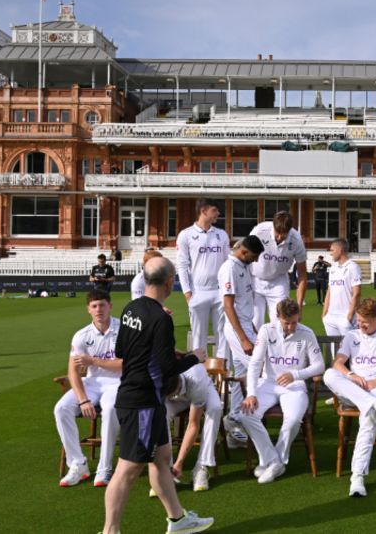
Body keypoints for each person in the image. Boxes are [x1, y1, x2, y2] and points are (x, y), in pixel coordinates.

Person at [102, 257, 213, 534]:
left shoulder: (131, 308)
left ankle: (178, 519)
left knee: (162, 458)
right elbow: (167, 370)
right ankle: (109, 530)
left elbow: (122, 351)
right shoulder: (160, 317)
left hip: (143, 399)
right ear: (169, 281)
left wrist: (162, 352)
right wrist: (194, 358)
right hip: (142, 403)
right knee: (127, 470)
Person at [233, 298, 324, 484]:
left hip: (294, 387)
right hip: (267, 383)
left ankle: (275, 461)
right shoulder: (267, 330)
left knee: (292, 421)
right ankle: (273, 461)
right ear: (278, 317)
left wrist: (296, 374)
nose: (291, 327)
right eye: (286, 323)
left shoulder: (307, 333)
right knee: (246, 415)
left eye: (294, 322)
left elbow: (320, 366)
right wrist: (251, 393)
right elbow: (255, 364)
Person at [322, 298, 376, 498]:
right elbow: (338, 363)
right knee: (329, 375)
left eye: (365, 321)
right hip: (355, 389)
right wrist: (351, 375)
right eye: (358, 320)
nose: (361, 325)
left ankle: (357, 477)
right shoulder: (351, 336)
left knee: (368, 417)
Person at [54, 289, 122, 487]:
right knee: (61, 408)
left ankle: (105, 467)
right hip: (92, 383)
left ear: (110, 306)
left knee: (110, 409)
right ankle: (78, 463)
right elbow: (73, 372)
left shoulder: (124, 329)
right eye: (94, 306)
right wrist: (83, 399)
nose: (98, 309)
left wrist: (93, 360)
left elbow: (127, 364)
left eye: (102, 305)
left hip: (119, 382)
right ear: (88, 310)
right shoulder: (81, 336)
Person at [216, 235, 265, 447]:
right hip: (237, 329)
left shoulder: (243, 267)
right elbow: (228, 307)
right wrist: (244, 338)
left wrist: (253, 328)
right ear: (243, 252)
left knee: (241, 375)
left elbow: (244, 305)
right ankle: (237, 419)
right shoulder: (229, 268)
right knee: (260, 369)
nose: (255, 261)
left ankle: (234, 423)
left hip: (246, 325)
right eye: (253, 257)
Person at [177, 199, 231, 361]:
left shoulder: (221, 235)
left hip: (219, 292)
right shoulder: (186, 235)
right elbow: (182, 266)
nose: (218, 214)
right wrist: (187, 293)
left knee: (223, 334)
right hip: (198, 292)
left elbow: (228, 264)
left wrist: (227, 290)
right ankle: (199, 376)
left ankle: (223, 377)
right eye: (215, 210)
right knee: (198, 337)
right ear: (204, 211)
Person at [162, 358, 223, 492]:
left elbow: (193, 425)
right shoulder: (160, 374)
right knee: (160, 415)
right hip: (177, 394)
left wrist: (180, 462)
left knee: (215, 408)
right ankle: (166, 470)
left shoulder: (197, 380)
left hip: (200, 390)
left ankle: (201, 467)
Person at [249, 211, 308, 329]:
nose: (280, 237)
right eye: (277, 233)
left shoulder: (296, 240)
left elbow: (302, 274)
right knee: (255, 321)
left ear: (290, 230)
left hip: (278, 281)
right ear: (273, 226)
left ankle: (277, 347)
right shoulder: (259, 231)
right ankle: (256, 347)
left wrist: (299, 306)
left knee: (280, 323)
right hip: (255, 279)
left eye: (284, 234)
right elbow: (244, 253)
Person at [321, 239, 361, 337]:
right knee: (334, 350)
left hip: (345, 318)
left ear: (340, 250)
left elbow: (357, 293)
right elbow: (329, 291)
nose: (331, 253)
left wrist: (350, 316)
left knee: (351, 350)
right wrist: (324, 314)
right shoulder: (333, 268)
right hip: (330, 318)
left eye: (332, 250)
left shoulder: (353, 267)